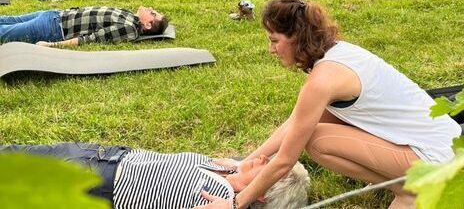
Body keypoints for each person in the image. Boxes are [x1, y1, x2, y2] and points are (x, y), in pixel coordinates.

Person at [198, 0, 461, 209]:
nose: (271, 49)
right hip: (444, 143)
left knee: (317, 141)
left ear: (297, 37)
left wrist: (234, 203)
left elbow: (285, 161)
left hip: (435, 156)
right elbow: (295, 123)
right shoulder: (337, 54)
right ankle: (408, 185)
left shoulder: (323, 79)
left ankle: (410, 191)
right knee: (314, 125)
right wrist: (244, 163)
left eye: (275, 41)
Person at [0, 142, 309, 209]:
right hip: (107, 155)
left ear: (262, 193)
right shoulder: (230, 168)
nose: (262, 159)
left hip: (101, 184)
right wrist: (239, 166)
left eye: (270, 168)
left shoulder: (221, 202)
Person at [0, 6, 168, 47]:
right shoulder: (131, 16)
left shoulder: (129, 29)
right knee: (7, 19)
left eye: (153, 14)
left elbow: (90, 39)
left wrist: (52, 45)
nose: (151, 9)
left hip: (52, 28)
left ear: (147, 25)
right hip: (55, 14)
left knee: (4, 32)